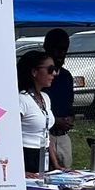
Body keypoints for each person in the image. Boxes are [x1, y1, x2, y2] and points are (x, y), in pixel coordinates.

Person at [17, 50, 61, 177]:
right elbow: (9, 137)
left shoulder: (45, 97)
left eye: (55, 68)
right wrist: (20, 170)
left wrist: (57, 165)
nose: (54, 73)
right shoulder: (21, 99)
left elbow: (47, 134)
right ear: (34, 72)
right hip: (26, 155)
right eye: (50, 69)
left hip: (43, 155)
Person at [42, 28, 74, 169]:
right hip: (45, 135)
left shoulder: (66, 76)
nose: (61, 54)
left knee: (66, 173)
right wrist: (55, 121)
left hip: (63, 136)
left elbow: (69, 104)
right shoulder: (39, 78)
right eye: (57, 49)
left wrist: (70, 119)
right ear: (47, 48)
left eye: (64, 50)